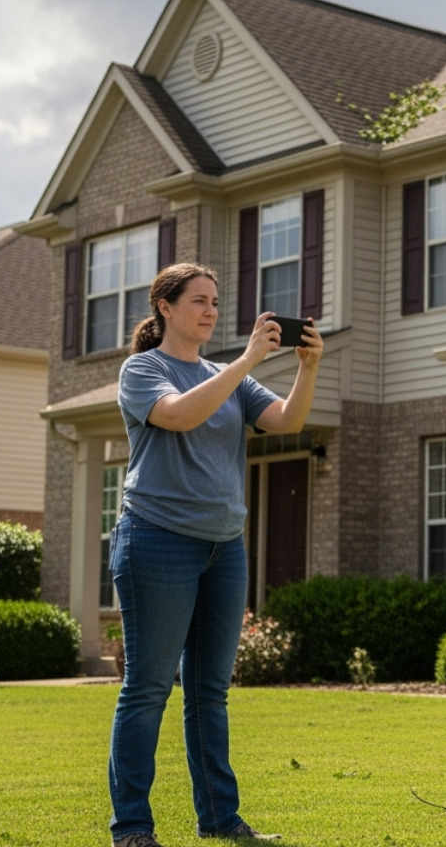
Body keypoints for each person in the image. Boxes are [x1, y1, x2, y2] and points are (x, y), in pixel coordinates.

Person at [107, 262, 322, 847]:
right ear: (165, 307)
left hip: (223, 547)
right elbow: (179, 415)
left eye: (215, 303)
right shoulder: (143, 370)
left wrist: (308, 368)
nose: (209, 311)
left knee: (209, 691)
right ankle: (132, 827)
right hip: (156, 539)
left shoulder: (228, 376)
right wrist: (249, 360)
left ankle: (222, 821)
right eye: (198, 301)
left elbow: (287, 421)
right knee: (149, 688)